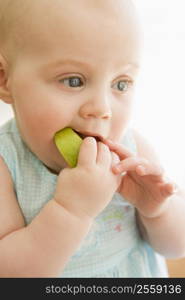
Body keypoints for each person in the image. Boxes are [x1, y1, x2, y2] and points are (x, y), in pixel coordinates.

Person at [0, 0, 184, 278]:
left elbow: (176, 248)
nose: (102, 108)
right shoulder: (7, 164)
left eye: (120, 84)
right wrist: (71, 211)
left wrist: (158, 211)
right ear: (4, 79)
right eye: (74, 81)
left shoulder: (132, 153)